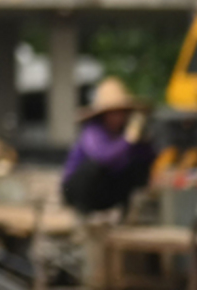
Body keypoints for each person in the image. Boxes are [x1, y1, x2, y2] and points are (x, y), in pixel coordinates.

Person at [60, 77, 156, 215]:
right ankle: (83, 214)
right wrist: (127, 140)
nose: (118, 116)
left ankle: (126, 213)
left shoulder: (128, 132)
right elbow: (103, 157)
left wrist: (142, 140)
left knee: (136, 166)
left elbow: (148, 158)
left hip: (107, 193)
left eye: (121, 111)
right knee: (96, 166)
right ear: (104, 114)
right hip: (78, 192)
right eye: (113, 112)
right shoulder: (92, 131)